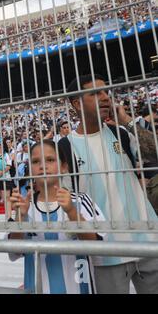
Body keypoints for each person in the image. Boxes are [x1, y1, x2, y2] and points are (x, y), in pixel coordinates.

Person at [58, 74, 158, 294]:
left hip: (149, 241)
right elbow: (67, 202)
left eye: (106, 91)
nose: (105, 97)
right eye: (95, 93)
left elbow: (155, 152)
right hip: (107, 252)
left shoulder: (120, 133)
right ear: (76, 103)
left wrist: (127, 121)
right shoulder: (66, 147)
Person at [8, 140, 105, 294]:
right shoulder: (24, 206)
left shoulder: (81, 200)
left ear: (64, 166)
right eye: (35, 161)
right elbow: (13, 251)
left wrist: (72, 212)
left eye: (50, 160)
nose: (43, 166)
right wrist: (21, 216)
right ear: (30, 169)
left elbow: (99, 245)